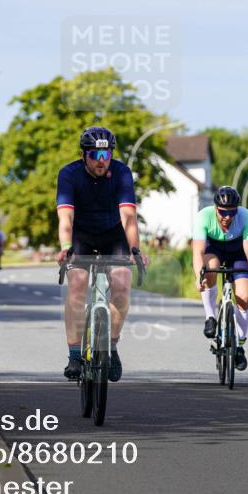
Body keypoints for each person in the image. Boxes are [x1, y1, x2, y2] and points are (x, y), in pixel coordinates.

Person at [56, 126, 148, 382]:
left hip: (113, 234)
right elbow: (65, 216)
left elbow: (128, 215)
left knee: (121, 288)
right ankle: (75, 354)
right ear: (84, 154)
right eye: (95, 154)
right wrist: (66, 246)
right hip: (81, 235)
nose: (101, 160)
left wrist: (134, 249)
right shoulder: (69, 174)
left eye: (106, 155)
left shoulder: (121, 173)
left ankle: (112, 346)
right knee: (77, 285)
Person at [191, 186, 248, 371]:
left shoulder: (246, 216)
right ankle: (210, 317)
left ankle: (239, 345)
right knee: (210, 270)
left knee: (245, 299)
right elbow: (198, 251)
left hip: (238, 253)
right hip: (213, 250)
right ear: (216, 209)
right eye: (223, 212)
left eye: (232, 212)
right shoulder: (203, 216)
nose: (227, 217)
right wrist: (199, 276)